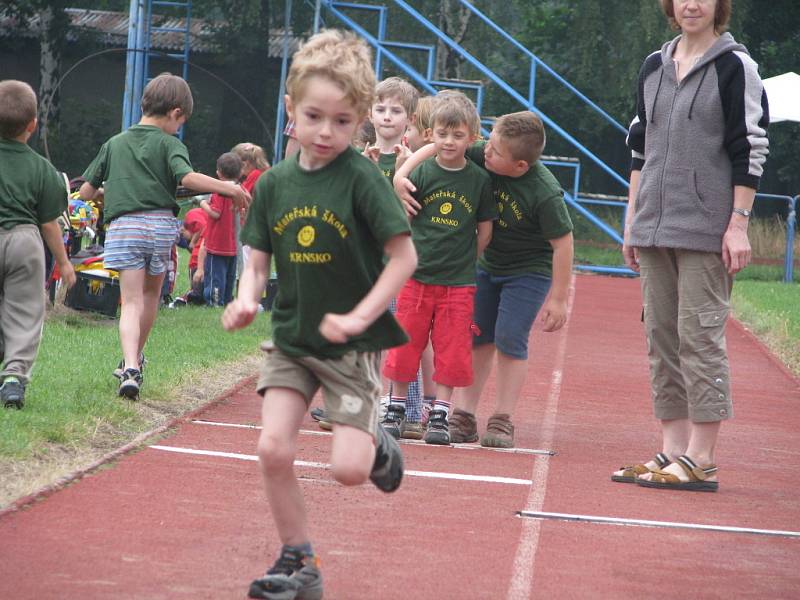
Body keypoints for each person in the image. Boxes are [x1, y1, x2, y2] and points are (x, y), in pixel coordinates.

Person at [221, 29, 417, 600]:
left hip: (348, 347)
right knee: (272, 447)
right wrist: (246, 297)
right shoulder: (277, 182)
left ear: (358, 120)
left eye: (340, 121)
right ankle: (298, 560)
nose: (326, 132)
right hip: (292, 339)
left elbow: (403, 257)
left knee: (349, 472)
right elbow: (257, 259)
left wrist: (359, 319)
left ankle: (376, 442)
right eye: (314, 117)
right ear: (291, 110)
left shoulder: (361, 179)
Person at [613, 0, 769, 492]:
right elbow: (641, 148)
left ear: (720, 6)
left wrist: (738, 224)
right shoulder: (654, 65)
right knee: (662, 338)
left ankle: (702, 459)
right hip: (654, 225)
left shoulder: (735, 66)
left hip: (706, 228)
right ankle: (673, 450)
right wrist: (632, 220)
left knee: (698, 338)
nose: (691, 4)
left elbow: (750, 146)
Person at [395, 111, 574, 448]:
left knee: (510, 337)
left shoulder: (544, 192)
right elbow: (436, 147)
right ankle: (463, 415)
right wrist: (401, 175)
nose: (485, 152)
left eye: (495, 152)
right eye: (488, 145)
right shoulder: (488, 152)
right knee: (478, 336)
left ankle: (502, 419)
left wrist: (559, 298)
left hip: (528, 270)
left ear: (520, 165)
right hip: (486, 263)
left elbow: (563, 243)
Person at [80, 73, 251, 399]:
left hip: (125, 226)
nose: (179, 128)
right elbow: (186, 176)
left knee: (129, 302)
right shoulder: (171, 143)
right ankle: (136, 360)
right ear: (174, 113)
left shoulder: (114, 143)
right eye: (181, 121)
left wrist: (108, 192)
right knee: (149, 297)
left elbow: (87, 191)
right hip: (159, 226)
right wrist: (228, 187)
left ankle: (130, 365)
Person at [383, 93, 497, 446]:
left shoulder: (478, 180)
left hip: (458, 284)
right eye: (442, 134)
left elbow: (485, 229)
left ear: (472, 138)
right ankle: (397, 408)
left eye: (458, 135)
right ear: (431, 134)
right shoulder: (420, 171)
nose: (449, 142)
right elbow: (404, 216)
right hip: (416, 278)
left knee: (451, 349)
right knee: (405, 343)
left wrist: (466, 258)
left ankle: (440, 414)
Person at [0, 79, 77, 409]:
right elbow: (49, 223)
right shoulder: (42, 169)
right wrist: (64, 263)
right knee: (25, 311)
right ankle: (14, 377)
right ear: (32, 125)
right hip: (23, 240)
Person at [200, 151, 242, 306]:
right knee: (229, 276)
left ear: (219, 172)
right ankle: (226, 300)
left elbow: (215, 213)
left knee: (216, 276)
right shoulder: (240, 190)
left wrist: (202, 203)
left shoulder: (220, 191)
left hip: (217, 245)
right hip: (232, 245)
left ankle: (214, 302)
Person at [170, 207, 206, 306]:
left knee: (197, 293)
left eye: (185, 239)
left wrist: (192, 242)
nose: (187, 241)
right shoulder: (196, 218)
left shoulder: (190, 216)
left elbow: (203, 226)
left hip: (198, 261)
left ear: (182, 230)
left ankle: (189, 296)